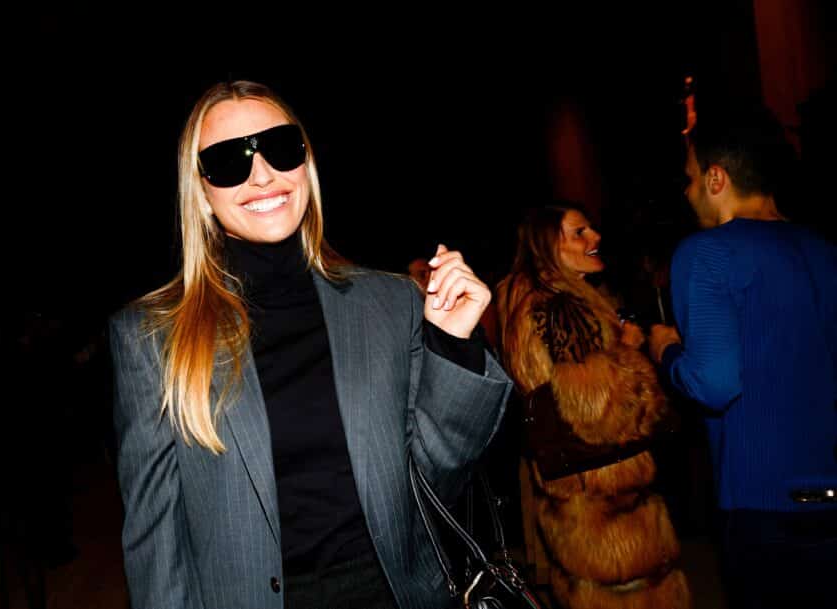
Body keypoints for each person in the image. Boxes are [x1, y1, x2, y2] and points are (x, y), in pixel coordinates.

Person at [108, 80, 512, 609]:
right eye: (228, 161)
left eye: (281, 147)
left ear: (306, 164)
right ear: (201, 193)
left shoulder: (390, 304)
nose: (262, 174)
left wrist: (452, 345)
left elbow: (437, 480)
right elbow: (156, 542)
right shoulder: (152, 337)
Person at [647, 105, 837, 608]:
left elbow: (713, 383)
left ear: (716, 179)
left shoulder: (707, 252)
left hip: (764, 507)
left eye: (690, 178)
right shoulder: (824, 249)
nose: (687, 192)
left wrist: (666, 350)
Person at [496, 203, 690, 609]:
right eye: (579, 232)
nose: (595, 237)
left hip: (581, 495)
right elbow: (599, 409)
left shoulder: (532, 300)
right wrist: (632, 349)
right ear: (549, 246)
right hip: (609, 504)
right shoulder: (560, 306)